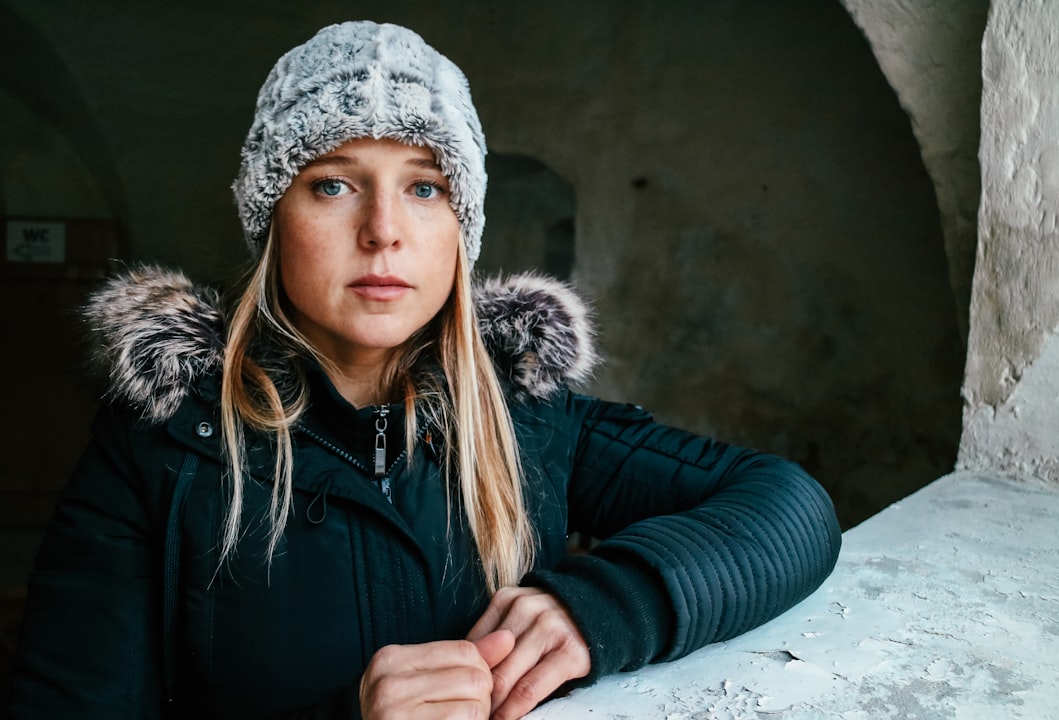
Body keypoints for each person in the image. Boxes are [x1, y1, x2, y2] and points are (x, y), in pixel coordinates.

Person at [5, 20, 841, 720]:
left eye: (427, 188)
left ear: (461, 230)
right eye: (333, 185)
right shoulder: (162, 451)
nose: (383, 232)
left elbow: (789, 508)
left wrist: (606, 607)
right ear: (272, 222)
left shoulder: (528, 419)